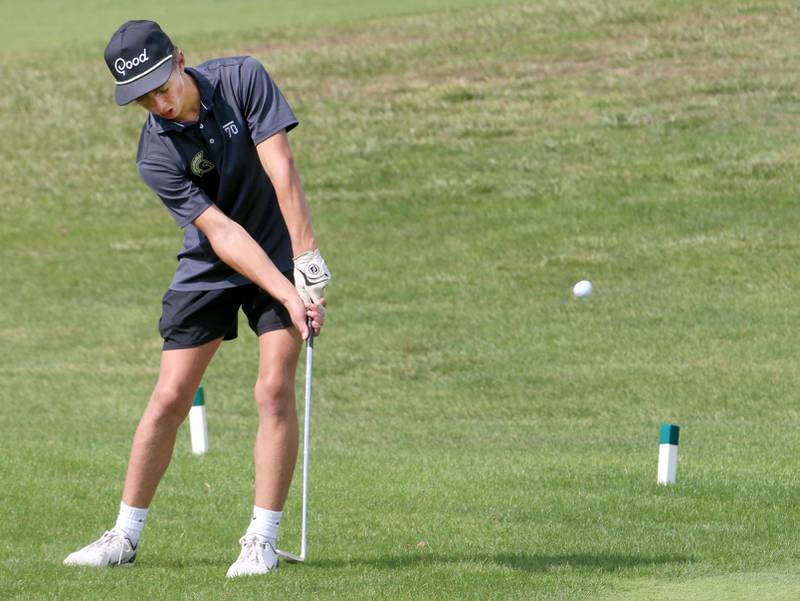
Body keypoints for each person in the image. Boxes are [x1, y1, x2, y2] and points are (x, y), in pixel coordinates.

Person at [63, 20, 330, 577]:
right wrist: (287, 294)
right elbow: (223, 234)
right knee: (168, 398)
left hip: (279, 246)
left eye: (163, 86)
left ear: (181, 60)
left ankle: (261, 540)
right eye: (142, 99)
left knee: (273, 387)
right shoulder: (154, 154)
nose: (158, 103)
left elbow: (282, 170)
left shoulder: (243, 79)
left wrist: (304, 264)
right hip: (213, 261)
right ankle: (125, 535)